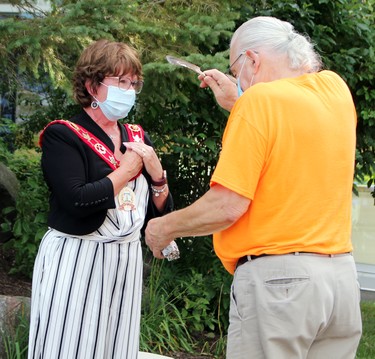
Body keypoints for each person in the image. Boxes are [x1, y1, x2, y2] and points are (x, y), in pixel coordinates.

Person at [145, 16, 362, 359]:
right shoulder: (335, 91)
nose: (237, 79)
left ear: (253, 60)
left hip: (280, 286)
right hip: (340, 283)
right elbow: (291, 124)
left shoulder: (258, 104)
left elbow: (227, 206)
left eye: (236, 69)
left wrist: (163, 227)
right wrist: (238, 102)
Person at [28, 39, 173, 359]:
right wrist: (127, 170)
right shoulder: (62, 134)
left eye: (134, 83)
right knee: (69, 346)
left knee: (115, 348)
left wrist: (158, 176)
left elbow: (155, 212)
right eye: (121, 82)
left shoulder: (137, 136)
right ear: (93, 86)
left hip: (125, 261)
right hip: (76, 257)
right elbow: (75, 200)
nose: (130, 90)